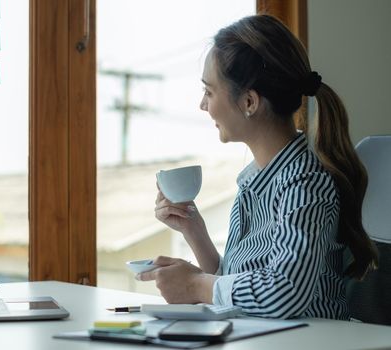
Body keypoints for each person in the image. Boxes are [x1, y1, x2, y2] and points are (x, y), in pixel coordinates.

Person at [137, 14, 378, 320]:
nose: (203, 105)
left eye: (209, 92)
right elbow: (238, 286)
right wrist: (193, 230)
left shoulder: (306, 182)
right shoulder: (254, 181)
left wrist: (197, 285)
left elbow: (284, 293)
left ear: (249, 101)